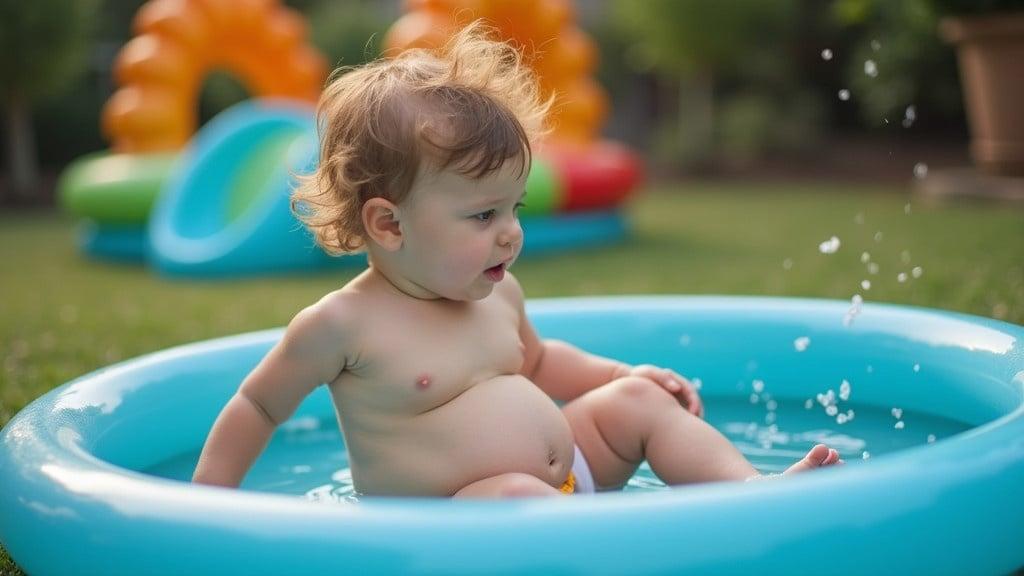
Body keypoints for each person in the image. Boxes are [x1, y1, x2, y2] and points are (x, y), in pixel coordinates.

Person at [192, 22, 842, 498]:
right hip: (457, 523)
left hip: (569, 474)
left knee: (638, 402)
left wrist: (618, 371)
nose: (509, 235)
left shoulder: (496, 292)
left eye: (514, 209)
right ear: (389, 223)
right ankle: (635, 551)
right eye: (482, 216)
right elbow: (259, 407)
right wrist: (206, 505)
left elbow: (537, 361)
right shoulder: (342, 326)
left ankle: (756, 495)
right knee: (513, 496)